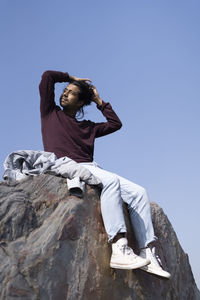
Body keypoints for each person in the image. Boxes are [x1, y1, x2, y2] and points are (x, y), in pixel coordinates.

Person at [39, 70, 170, 278]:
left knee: (139, 192)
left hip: (90, 167)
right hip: (66, 165)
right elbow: (47, 77)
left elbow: (115, 124)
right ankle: (119, 246)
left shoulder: (88, 127)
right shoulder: (50, 113)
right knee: (110, 183)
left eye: (71, 93)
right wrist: (71, 78)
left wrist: (100, 102)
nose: (64, 94)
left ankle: (148, 253)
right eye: (65, 91)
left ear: (81, 102)